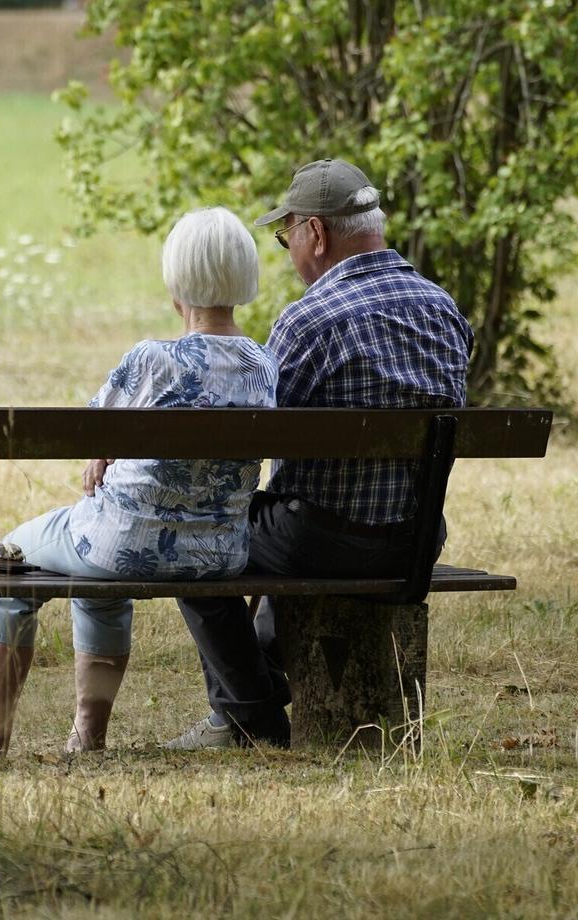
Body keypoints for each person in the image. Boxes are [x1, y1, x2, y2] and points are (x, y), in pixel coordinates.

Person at [164, 158, 475, 750]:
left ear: (316, 233)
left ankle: (250, 715)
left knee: (193, 534)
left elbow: (254, 440)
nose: (288, 252)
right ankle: (257, 687)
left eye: (286, 238)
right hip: (415, 540)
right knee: (288, 514)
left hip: (322, 542)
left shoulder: (308, 321)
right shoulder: (445, 311)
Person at [0, 206, 279, 756]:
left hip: (121, 545)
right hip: (218, 554)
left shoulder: (152, 360)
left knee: (10, 559)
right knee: (97, 574)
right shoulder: (265, 365)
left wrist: (103, 452)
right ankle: (87, 736)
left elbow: (88, 432)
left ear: (175, 281)